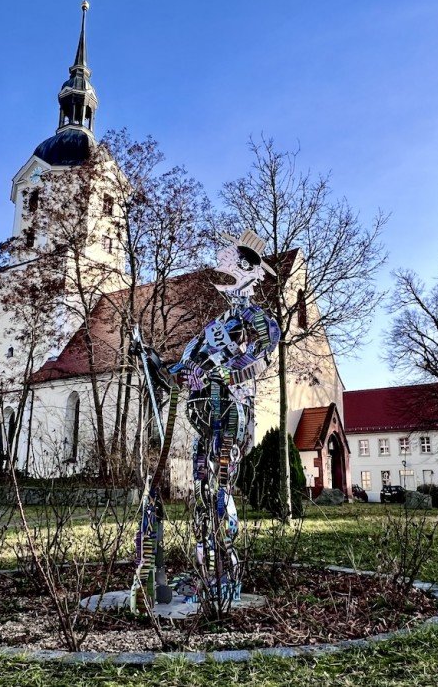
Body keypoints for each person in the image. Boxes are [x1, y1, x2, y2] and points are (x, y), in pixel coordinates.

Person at [130, 229, 280, 610]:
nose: (222, 268)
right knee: (200, 491)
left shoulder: (256, 319)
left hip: (230, 414)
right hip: (202, 421)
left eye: (230, 263)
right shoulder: (211, 330)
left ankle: (225, 575)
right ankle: (204, 573)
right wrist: (151, 362)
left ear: (249, 270)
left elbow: (262, 357)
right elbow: (180, 372)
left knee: (220, 489)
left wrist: (226, 374)